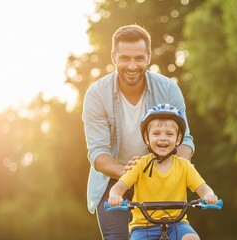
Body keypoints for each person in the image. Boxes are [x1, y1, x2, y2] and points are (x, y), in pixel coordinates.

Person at [82, 24, 195, 240]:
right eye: (124, 58)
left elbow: (185, 141)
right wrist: (132, 173)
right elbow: (98, 154)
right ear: (114, 56)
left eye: (139, 58)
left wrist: (175, 170)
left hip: (160, 177)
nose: (132, 66)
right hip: (114, 180)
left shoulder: (168, 89)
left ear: (149, 56)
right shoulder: (96, 95)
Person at [108, 104, 218, 240]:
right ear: (147, 138)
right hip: (143, 226)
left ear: (178, 139)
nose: (163, 138)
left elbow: (202, 188)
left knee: (191, 238)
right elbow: (118, 188)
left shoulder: (184, 166)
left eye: (170, 134)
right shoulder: (139, 164)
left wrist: (209, 195)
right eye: (156, 134)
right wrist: (115, 196)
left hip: (177, 224)